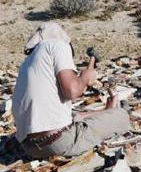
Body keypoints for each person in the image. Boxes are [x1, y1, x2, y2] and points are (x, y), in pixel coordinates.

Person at [12, 23, 130, 158]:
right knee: (122, 116)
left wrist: (104, 111)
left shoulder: (28, 62)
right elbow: (72, 91)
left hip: (30, 148)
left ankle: (107, 112)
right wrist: (86, 78)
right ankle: (115, 113)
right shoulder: (57, 45)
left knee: (74, 114)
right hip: (59, 143)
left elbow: (63, 103)